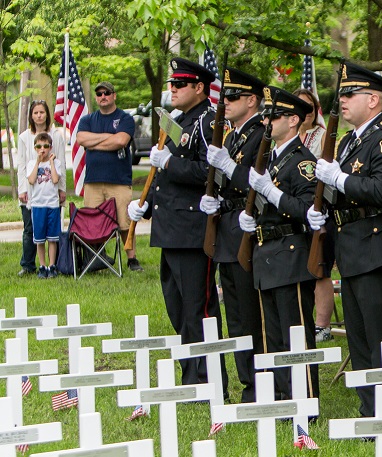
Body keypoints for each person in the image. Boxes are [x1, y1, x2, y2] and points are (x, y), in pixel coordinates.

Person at [307, 62, 382, 418]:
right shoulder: (352, 140)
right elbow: (345, 192)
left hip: (377, 246)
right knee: (360, 337)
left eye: (350, 94)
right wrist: (323, 206)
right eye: (342, 94)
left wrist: (338, 181)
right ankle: (371, 411)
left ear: (373, 99)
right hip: (352, 246)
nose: (343, 101)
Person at [128, 58, 228, 394]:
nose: (172, 89)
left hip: (192, 229)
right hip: (170, 229)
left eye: (179, 84)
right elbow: (164, 177)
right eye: (171, 84)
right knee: (177, 307)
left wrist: (169, 162)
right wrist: (146, 206)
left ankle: (208, 381)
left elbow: (210, 173)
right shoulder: (178, 120)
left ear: (199, 87)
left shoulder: (207, 121)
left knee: (197, 309)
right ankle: (192, 374)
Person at [238, 87, 319, 401]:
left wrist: (272, 194)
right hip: (265, 255)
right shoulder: (269, 158)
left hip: (290, 254)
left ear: (294, 120)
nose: (267, 122)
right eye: (266, 115)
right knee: (272, 335)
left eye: (275, 116)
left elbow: (308, 211)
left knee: (295, 333)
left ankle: (305, 399)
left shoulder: (302, 162)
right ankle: (283, 397)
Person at [200, 66, 267, 403]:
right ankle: (247, 383)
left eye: (232, 96)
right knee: (236, 316)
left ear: (252, 100)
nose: (224, 102)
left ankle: (260, 383)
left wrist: (229, 168)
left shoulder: (260, 135)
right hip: (227, 232)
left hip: (247, 230)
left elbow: (256, 182)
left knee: (251, 315)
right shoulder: (232, 135)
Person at [76, 82, 142, 271]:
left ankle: (132, 259)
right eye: (99, 94)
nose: (103, 96)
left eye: (106, 93)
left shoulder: (125, 118)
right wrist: (109, 137)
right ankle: (97, 259)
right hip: (93, 181)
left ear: (114, 95)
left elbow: (121, 141)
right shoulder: (87, 120)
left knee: (124, 222)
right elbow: (81, 139)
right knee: (93, 222)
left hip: (119, 180)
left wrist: (94, 142)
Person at [293, 87, 335, 343]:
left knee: (321, 270)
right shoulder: (285, 135)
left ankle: (322, 325)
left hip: (320, 211)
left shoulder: (323, 137)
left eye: (310, 107)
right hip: (295, 213)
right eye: (300, 107)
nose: (306, 112)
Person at [16, 100, 66, 276]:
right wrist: (22, 189)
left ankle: (54, 265)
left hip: (51, 191)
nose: (39, 116)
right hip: (31, 191)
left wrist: (62, 189)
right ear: (31, 115)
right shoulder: (24, 137)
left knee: (52, 231)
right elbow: (21, 165)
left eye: (42, 112)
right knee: (31, 228)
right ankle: (28, 265)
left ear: (47, 114)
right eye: (35, 112)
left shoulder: (56, 136)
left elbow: (61, 162)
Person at [27, 133, 62, 279]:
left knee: (52, 238)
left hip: (52, 204)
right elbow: (31, 180)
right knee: (39, 239)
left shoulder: (56, 163)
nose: (43, 149)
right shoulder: (31, 164)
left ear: (50, 147)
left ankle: (52, 265)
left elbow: (54, 179)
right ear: (35, 148)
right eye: (39, 146)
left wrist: (51, 162)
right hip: (38, 205)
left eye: (46, 146)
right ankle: (42, 266)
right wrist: (37, 162)